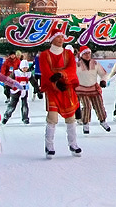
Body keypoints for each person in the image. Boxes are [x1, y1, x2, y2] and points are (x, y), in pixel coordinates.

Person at [39, 28, 81, 158]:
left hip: (66, 88)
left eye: (62, 37)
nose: (61, 39)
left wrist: (62, 75)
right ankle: (49, 146)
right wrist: (55, 82)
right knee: (52, 118)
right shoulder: (44, 55)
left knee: (71, 118)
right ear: (52, 39)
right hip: (53, 89)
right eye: (58, 37)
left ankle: (73, 144)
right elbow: (46, 72)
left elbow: (72, 68)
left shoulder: (68, 54)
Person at [75, 46, 111, 134]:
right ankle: (85, 123)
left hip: (94, 88)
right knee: (87, 106)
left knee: (99, 105)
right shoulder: (77, 65)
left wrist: (103, 81)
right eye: (85, 53)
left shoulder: (95, 63)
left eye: (89, 53)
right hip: (82, 89)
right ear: (81, 55)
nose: (87, 55)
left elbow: (104, 74)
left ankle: (103, 121)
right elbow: (71, 75)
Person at [2, 59, 31, 124]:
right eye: (24, 68)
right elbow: (9, 80)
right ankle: (6, 117)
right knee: (12, 105)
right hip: (15, 91)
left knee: (25, 105)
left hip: (24, 91)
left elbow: (34, 82)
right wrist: (7, 86)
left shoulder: (28, 74)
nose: (25, 69)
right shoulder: (15, 72)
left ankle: (25, 118)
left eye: (26, 68)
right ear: (21, 67)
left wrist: (38, 90)